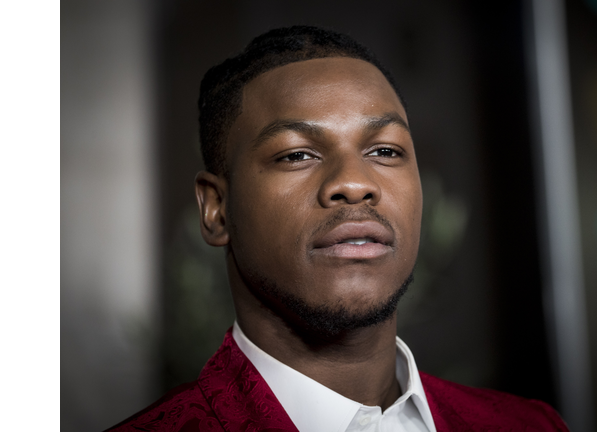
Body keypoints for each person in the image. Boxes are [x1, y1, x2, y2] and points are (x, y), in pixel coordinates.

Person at [108, 25, 569, 432]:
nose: (355, 183)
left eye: (385, 151)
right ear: (217, 210)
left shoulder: (530, 426)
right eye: (297, 154)